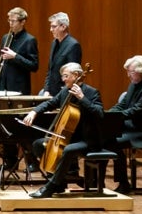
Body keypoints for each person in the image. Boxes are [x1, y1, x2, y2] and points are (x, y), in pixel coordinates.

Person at [25, 62, 103, 198]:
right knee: (38, 144)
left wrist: (82, 98)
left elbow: (99, 114)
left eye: (66, 76)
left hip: (87, 139)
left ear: (77, 75)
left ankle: (51, 186)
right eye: (63, 76)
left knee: (68, 150)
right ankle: (58, 182)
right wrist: (34, 112)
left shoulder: (91, 92)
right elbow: (50, 103)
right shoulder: (65, 91)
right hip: (67, 137)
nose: (63, 79)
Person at [105, 55, 142, 193]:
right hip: (133, 126)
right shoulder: (134, 84)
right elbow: (123, 105)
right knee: (105, 136)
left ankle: (124, 183)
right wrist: (108, 114)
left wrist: (113, 117)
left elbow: (136, 112)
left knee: (113, 142)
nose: (128, 75)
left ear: (141, 71)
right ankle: (97, 181)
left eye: (130, 72)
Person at [0, 6, 39, 94]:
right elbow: (0, 62)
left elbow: (34, 66)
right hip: (2, 87)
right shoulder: (5, 38)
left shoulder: (29, 40)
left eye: (13, 21)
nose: (10, 23)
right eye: (9, 20)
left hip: (18, 88)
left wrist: (15, 56)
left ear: (23, 22)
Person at [42, 12, 82, 97]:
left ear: (63, 27)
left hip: (63, 93)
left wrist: (60, 95)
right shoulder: (54, 43)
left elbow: (72, 75)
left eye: (54, 26)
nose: (51, 29)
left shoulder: (73, 45)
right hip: (50, 91)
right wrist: (46, 90)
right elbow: (50, 70)